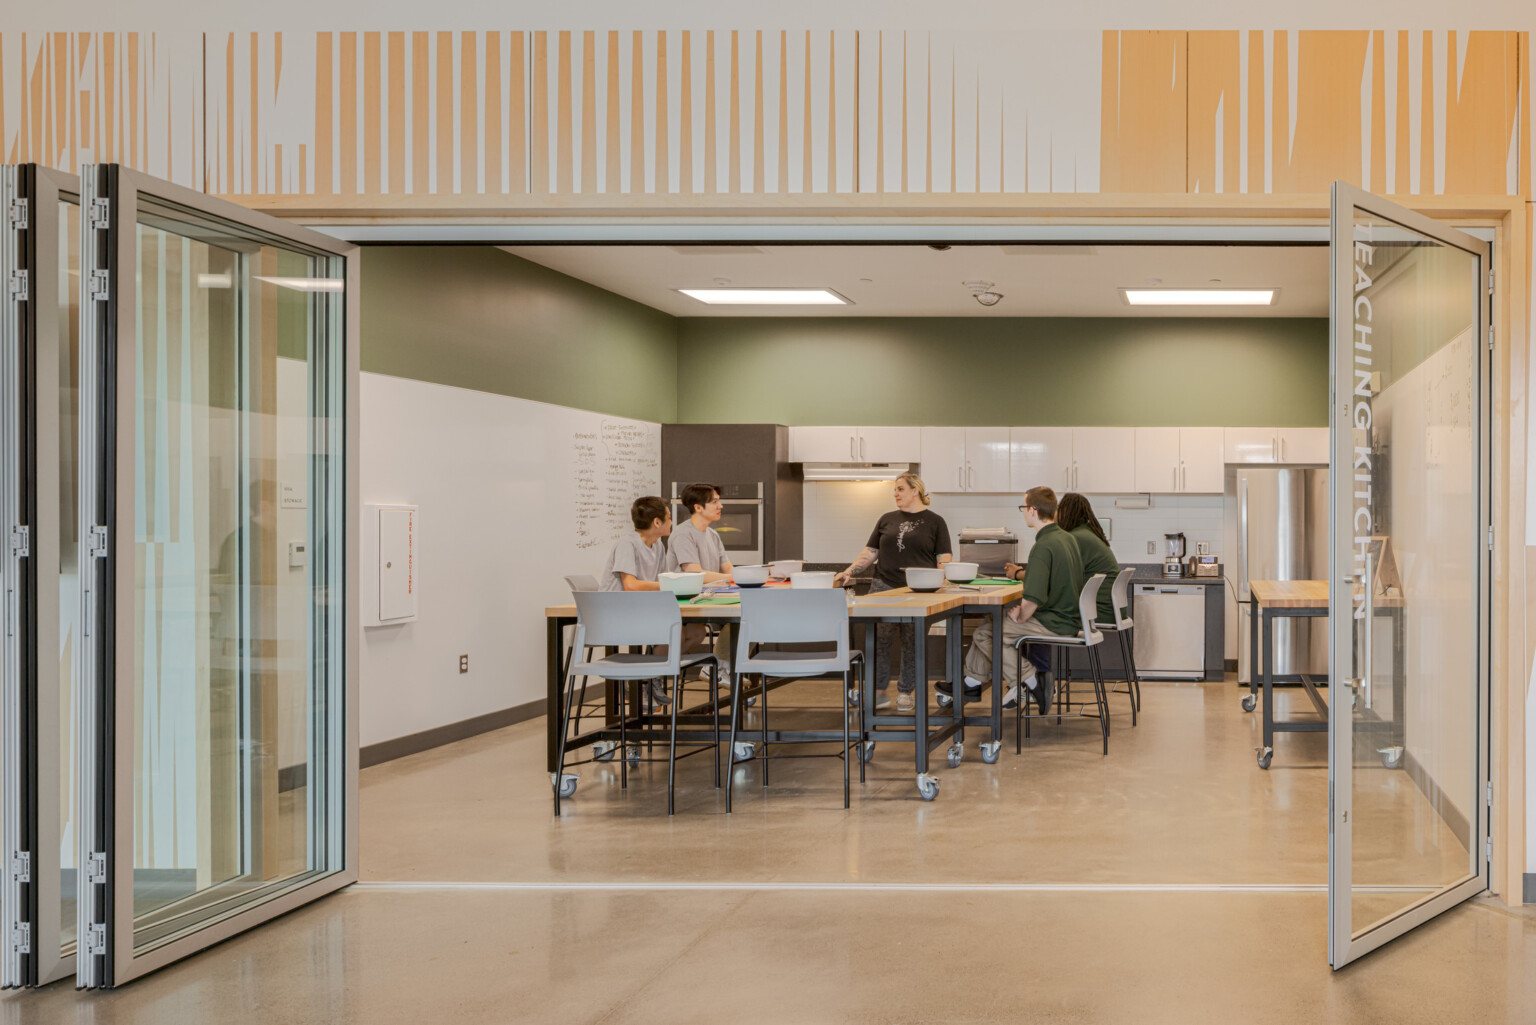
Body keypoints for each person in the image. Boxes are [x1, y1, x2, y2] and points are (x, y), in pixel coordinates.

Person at [833, 473, 951, 713]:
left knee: (912, 643)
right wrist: (850, 571)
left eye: (900, 489)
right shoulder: (886, 519)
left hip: (920, 591)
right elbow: (870, 552)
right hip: (883, 587)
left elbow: (944, 558)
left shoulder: (935, 521)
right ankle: (877, 692)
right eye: (894, 490)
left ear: (915, 490)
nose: (895, 494)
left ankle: (906, 693)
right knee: (878, 641)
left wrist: (941, 584)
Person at [960, 485, 1083, 714]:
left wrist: (1021, 614)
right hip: (1069, 618)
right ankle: (972, 684)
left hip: (1053, 623)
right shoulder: (1067, 539)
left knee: (984, 633)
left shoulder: (1043, 545)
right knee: (990, 625)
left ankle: (1031, 680)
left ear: (1033, 510)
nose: (1024, 512)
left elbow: (1033, 597)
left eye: (1024, 507)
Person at [667, 482, 734, 677]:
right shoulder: (683, 534)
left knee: (751, 618)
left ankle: (724, 668)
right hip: (684, 603)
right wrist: (733, 577)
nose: (720, 506)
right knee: (742, 620)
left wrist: (745, 576)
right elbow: (694, 572)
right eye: (714, 502)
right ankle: (720, 668)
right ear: (698, 507)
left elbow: (727, 566)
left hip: (708, 599)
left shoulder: (713, 535)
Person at [1055, 492, 1121, 628]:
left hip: (1097, 612)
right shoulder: (1088, 533)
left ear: (1066, 513)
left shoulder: (1076, 538)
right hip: (1108, 610)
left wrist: (1019, 574)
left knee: (1036, 616)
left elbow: (1057, 577)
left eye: (1058, 510)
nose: (1055, 515)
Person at [599, 496, 672, 591]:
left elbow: (663, 581)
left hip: (641, 603)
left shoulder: (659, 546)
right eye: (669, 518)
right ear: (657, 522)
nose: (671, 522)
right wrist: (670, 586)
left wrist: (668, 585)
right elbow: (630, 586)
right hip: (615, 604)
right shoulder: (627, 544)